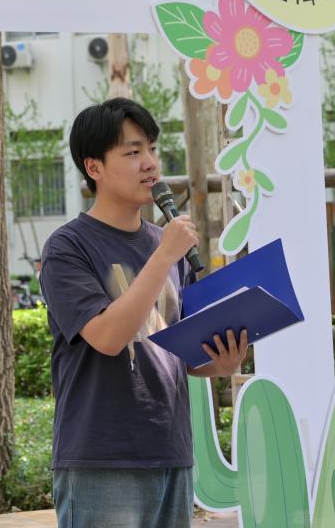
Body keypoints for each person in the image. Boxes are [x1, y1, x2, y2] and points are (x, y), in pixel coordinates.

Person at [40, 97, 248, 528]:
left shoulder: (166, 244)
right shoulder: (68, 247)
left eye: (152, 148)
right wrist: (164, 255)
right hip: (102, 459)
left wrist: (220, 363)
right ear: (94, 167)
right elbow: (107, 337)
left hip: (171, 452)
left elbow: (178, 351)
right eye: (133, 152)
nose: (150, 163)